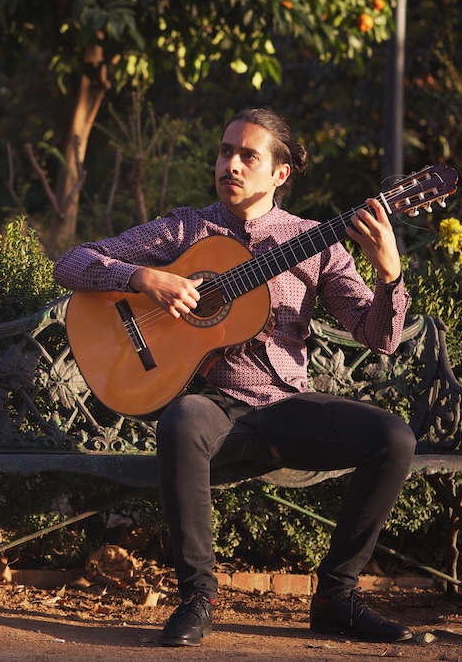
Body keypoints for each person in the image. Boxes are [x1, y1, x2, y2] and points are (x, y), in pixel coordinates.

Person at [53, 108, 415, 647]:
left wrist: (390, 274)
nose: (232, 164)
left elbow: (377, 335)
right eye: (226, 152)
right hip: (215, 406)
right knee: (181, 422)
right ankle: (198, 598)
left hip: (286, 407)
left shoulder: (315, 240)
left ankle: (337, 597)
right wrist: (145, 277)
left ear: (280, 174)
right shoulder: (186, 229)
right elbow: (72, 262)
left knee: (394, 438)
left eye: (248, 155)